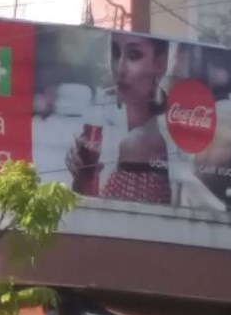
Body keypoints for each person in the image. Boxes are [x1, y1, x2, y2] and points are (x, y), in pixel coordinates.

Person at [65, 32, 172, 204]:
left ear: (160, 63)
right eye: (115, 53)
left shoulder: (142, 141)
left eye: (134, 55)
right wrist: (81, 177)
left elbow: (110, 217)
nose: (120, 69)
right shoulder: (110, 127)